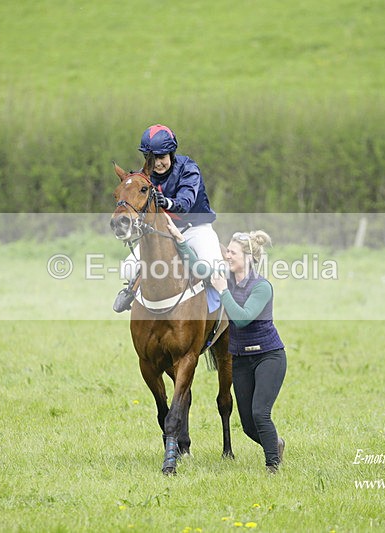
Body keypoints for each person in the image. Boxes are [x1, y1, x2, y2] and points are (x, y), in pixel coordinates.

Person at [114, 124, 222, 312]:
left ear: (171, 154)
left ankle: (220, 306)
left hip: (195, 228)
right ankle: (134, 295)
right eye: (152, 158)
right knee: (128, 268)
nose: (157, 163)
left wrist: (167, 202)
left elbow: (185, 202)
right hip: (163, 231)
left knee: (211, 264)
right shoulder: (144, 176)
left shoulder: (188, 168)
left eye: (162, 157)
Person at [210, 230, 287, 473]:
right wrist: (178, 238)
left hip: (268, 356)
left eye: (232, 252)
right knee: (248, 425)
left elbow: (242, 319)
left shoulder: (262, 287)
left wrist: (222, 291)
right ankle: (276, 444)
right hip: (241, 358)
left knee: (260, 414)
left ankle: (272, 467)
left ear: (247, 257)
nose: (227, 256)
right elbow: (194, 263)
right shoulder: (228, 279)